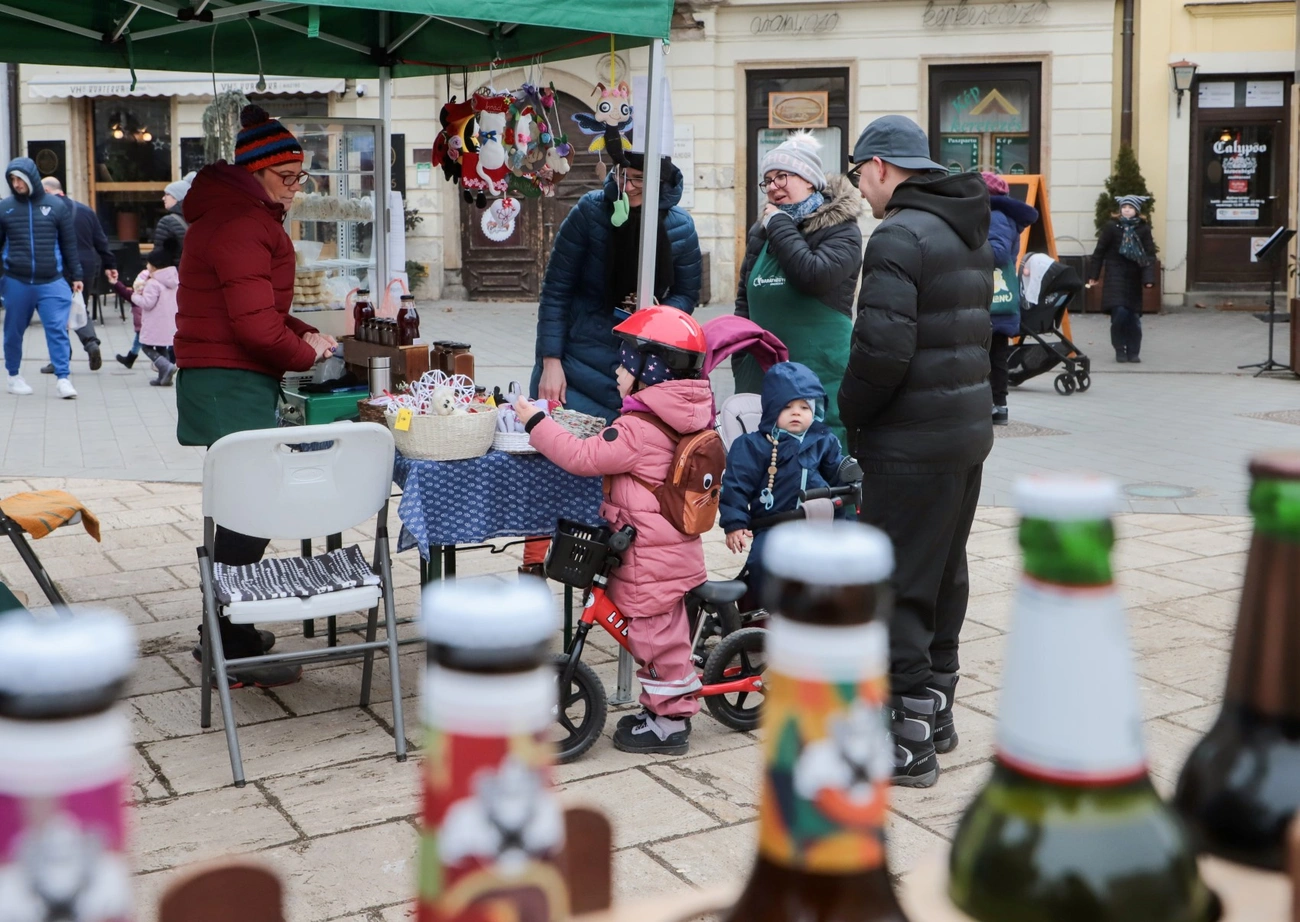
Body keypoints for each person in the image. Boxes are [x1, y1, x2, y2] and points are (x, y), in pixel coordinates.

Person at [838, 115, 994, 789]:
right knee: (944, 573)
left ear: (879, 166)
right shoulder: (967, 227)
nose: (862, 194)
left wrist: (850, 413)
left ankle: (906, 744)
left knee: (900, 583)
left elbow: (881, 352)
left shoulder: (898, 233)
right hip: (963, 431)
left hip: (909, 439)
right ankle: (939, 713)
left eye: (859, 178)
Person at [176, 104, 337, 688]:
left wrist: (301, 331)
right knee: (251, 509)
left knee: (244, 508)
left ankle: (227, 630)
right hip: (228, 380)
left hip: (223, 375)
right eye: (287, 178)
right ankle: (229, 647)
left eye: (300, 178)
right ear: (255, 172)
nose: (296, 189)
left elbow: (259, 312)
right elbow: (252, 328)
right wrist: (307, 353)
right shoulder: (243, 223)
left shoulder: (234, 214)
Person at [515, 306, 712, 755]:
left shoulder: (638, 428)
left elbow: (584, 458)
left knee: (659, 641)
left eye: (626, 362)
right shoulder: (686, 411)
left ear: (651, 368)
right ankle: (660, 708)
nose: (618, 370)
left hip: (650, 557)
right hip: (662, 547)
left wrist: (535, 422)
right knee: (653, 633)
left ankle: (673, 724)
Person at [530, 152, 701, 423]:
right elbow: (556, 290)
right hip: (577, 360)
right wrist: (550, 362)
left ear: (660, 181)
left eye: (638, 179)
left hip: (641, 365)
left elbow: (687, 295)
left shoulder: (681, 226)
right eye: (622, 175)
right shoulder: (589, 211)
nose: (628, 186)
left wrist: (658, 315)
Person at [734, 133, 864, 444]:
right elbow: (743, 300)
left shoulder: (841, 229)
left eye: (783, 176)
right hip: (761, 371)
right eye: (768, 180)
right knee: (759, 457)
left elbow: (813, 275)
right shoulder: (760, 233)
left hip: (821, 370)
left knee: (820, 454)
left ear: (809, 180)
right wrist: (741, 359)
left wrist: (779, 225)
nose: (774, 186)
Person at [719, 361, 845, 601]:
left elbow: (837, 470)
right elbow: (735, 486)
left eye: (804, 407)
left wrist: (852, 473)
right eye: (787, 406)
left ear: (815, 410)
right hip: (773, 523)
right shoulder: (754, 445)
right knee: (762, 564)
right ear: (771, 408)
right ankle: (756, 612)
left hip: (817, 523)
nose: (796, 412)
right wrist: (734, 523)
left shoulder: (823, 440)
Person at [1, 159, 83, 399]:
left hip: (52, 280)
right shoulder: (5, 208)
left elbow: (69, 243)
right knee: (13, 331)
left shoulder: (56, 206)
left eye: (20, 179)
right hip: (16, 279)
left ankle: (63, 378)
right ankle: (14, 376)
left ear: (32, 178)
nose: (16, 184)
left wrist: (76, 274)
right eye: (12, 180)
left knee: (57, 329)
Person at [38, 177, 116, 374]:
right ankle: (91, 344)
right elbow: (101, 240)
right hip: (87, 267)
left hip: (57, 267)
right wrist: (109, 264)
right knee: (78, 306)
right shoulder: (85, 210)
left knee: (55, 313)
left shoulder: (45, 211)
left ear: (46, 191)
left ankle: (60, 359)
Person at [119, 173, 192, 369]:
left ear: (177, 198)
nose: (163, 198)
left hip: (167, 279)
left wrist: (148, 274)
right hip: (187, 278)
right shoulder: (193, 220)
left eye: (167, 195)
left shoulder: (168, 222)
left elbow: (160, 255)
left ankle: (165, 363)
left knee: (161, 320)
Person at [982, 172, 1039, 425]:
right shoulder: (1000, 216)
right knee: (994, 354)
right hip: (998, 299)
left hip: (993, 299)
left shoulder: (995, 216)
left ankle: (996, 405)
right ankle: (996, 406)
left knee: (991, 355)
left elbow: (998, 253)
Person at [1088, 193, 1156, 363]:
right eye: (1124, 207)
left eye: (1130, 208)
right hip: (1115, 276)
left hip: (1134, 277)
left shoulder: (1143, 229)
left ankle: (1133, 352)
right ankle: (1120, 349)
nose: (1127, 210)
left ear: (1137, 211)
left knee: (1133, 318)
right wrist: (1093, 275)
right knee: (1119, 314)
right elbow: (1099, 252)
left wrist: (1148, 279)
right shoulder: (1112, 227)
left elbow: (1149, 255)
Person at [110, 253, 178, 385]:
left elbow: (147, 303)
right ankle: (164, 378)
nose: (147, 266)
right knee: (161, 347)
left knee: (146, 347)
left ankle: (166, 366)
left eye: (148, 264)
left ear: (153, 267)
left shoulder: (153, 283)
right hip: (169, 321)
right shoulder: (173, 280)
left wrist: (135, 296)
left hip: (155, 322)